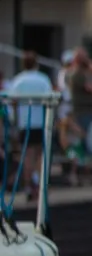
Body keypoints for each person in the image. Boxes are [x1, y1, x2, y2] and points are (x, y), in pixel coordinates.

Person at [6, 50, 53, 200]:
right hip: (40, 122)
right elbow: (50, 99)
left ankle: (28, 186)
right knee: (39, 154)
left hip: (24, 123)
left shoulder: (18, 80)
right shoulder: (43, 79)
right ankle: (39, 185)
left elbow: (12, 102)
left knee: (27, 156)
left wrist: (14, 119)